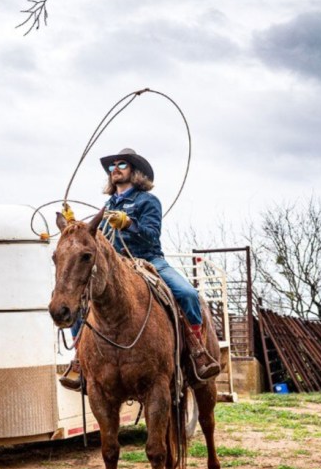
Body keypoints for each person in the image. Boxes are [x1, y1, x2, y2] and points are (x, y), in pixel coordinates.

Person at [59, 148, 220, 390]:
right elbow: (94, 241)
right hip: (116, 267)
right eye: (112, 166)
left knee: (187, 294)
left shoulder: (148, 201)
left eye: (121, 164)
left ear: (135, 172)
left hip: (149, 260)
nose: (115, 169)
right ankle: (79, 360)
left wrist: (129, 223)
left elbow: (151, 236)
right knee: (78, 299)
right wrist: (73, 226)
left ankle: (197, 349)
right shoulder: (108, 204)